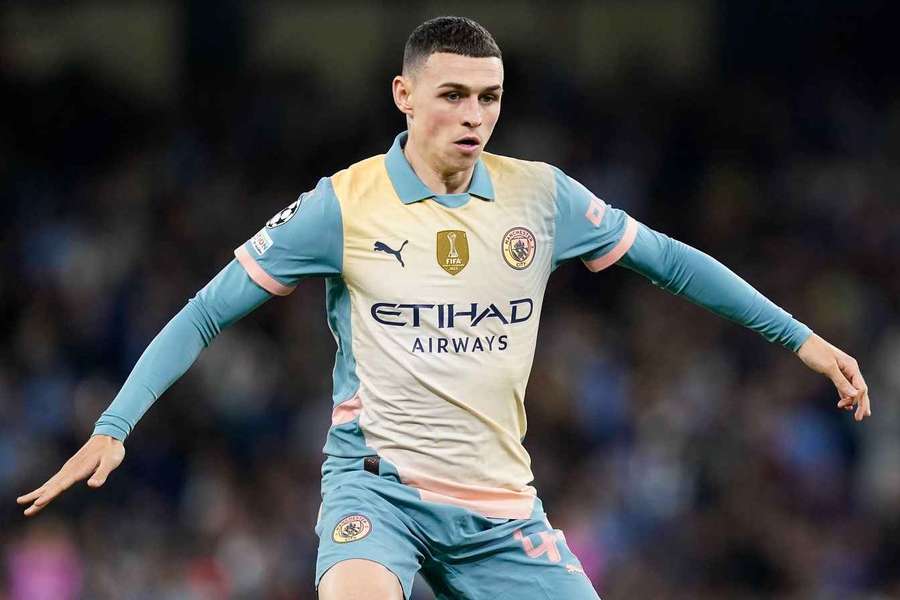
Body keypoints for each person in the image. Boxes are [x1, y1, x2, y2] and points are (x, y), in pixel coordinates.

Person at [17, 16, 871, 600]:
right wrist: (115, 425)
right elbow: (207, 312)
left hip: (501, 509)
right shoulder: (342, 206)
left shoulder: (542, 198)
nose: (474, 115)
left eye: (490, 97)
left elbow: (670, 262)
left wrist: (800, 338)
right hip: (376, 488)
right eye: (454, 94)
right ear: (404, 95)